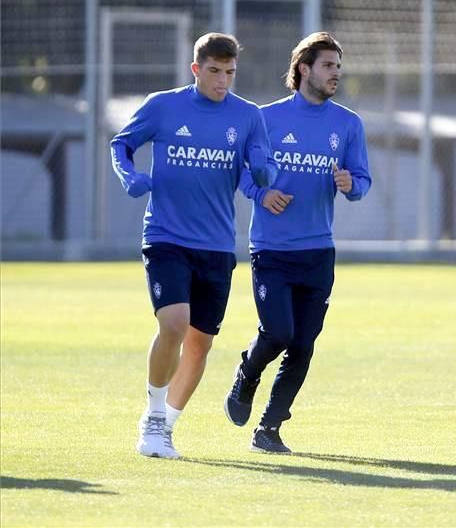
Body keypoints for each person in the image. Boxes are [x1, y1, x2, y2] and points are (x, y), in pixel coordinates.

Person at [111, 32, 278, 459]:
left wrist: (263, 170)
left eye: (230, 73)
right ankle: (150, 418)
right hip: (166, 236)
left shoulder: (248, 116)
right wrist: (129, 176)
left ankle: (166, 426)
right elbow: (122, 144)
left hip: (218, 246)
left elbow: (263, 163)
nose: (223, 81)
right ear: (196, 69)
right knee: (173, 325)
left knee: (199, 344)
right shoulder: (164, 106)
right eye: (215, 72)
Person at [224, 32, 371, 454]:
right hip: (271, 249)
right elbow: (242, 173)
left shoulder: (347, 124)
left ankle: (268, 429)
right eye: (328, 66)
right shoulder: (265, 119)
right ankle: (247, 373)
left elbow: (362, 181)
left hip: (318, 251)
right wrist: (261, 194)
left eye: (338, 67)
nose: (335, 74)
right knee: (277, 333)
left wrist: (350, 184)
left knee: (303, 345)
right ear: (304, 69)